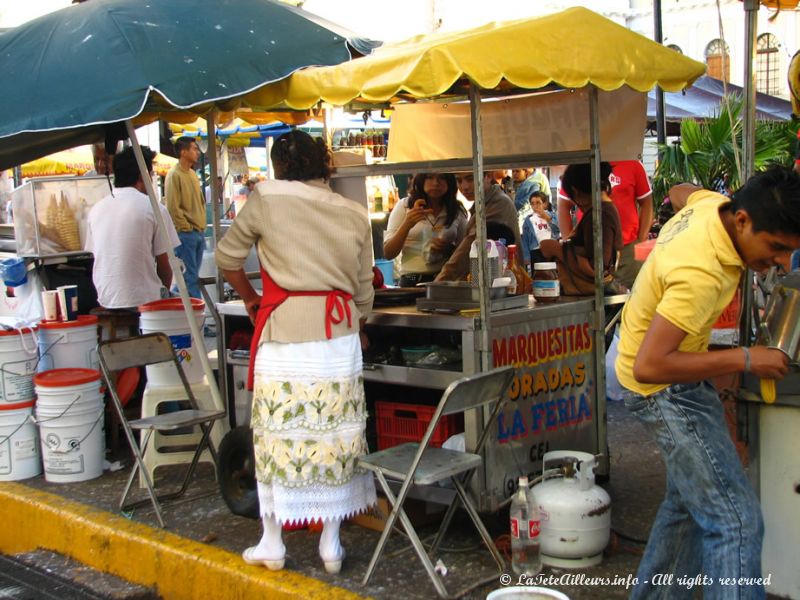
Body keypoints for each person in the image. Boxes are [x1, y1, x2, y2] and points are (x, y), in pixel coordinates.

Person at [615, 165, 800, 600]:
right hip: (661, 390)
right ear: (742, 222)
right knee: (735, 523)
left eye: (791, 252)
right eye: (776, 247)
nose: (782, 262)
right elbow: (652, 366)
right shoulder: (702, 272)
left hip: (657, 372)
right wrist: (748, 359)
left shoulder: (711, 205)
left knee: (686, 507)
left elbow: (681, 191)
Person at [215, 130, 375, 575]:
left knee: (276, 436)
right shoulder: (353, 211)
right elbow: (364, 296)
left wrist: (249, 297)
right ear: (324, 165)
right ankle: (331, 545)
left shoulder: (266, 197)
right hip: (339, 333)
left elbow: (226, 258)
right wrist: (353, 326)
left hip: (285, 331)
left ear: (280, 166)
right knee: (333, 438)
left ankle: (272, 542)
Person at [85, 146, 179, 310]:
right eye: (150, 174)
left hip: (104, 298)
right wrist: (160, 293)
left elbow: (97, 256)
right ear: (142, 176)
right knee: (186, 307)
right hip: (143, 300)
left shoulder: (96, 209)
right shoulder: (155, 209)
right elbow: (165, 267)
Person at [558, 160, 652, 289]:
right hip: (594, 249)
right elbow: (563, 206)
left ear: (577, 193)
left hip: (627, 248)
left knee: (629, 296)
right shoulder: (579, 168)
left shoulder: (603, 213)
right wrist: (568, 241)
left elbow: (647, 203)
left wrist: (641, 240)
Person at [540, 162, 623, 296]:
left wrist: (556, 249)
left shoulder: (599, 215)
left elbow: (597, 267)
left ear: (576, 191)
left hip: (593, 295)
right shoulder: (603, 211)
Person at [383, 173, 467, 287]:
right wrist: (408, 224)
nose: (436, 183)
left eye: (442, 178)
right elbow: (388, 253)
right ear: (420, 179)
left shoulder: (455, 210)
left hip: (444, 279)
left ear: (450, 182)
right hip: (411, 279)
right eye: (429, 177)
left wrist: (448, 249)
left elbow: (465, 252)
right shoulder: (405, 206)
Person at [436, 171, 522, 281]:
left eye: (470, 179)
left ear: (489, 176)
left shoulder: (498, 203)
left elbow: (469, 248)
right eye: (459, 181)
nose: (464, 187)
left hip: (502, 286)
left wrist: (439, 282)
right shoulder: (483, 203)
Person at [165, 136, 205, 298]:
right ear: (183, 152)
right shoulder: (174, 175)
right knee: (190, 279)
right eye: (194, 149)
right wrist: (186, 228)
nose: (197, 152)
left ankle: (172, 300)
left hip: (198, 232)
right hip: (185, 234)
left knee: (189, 279)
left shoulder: (192, 174)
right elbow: (173, 207)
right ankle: (199, 321)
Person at [521, 190, 560, 266]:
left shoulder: (552, 215)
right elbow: (525, 240)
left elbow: (558, 230)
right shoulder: (528, 220)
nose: (535, 206)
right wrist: (526, 258)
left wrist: (548, 218)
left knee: (553, 272)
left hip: (552, 248)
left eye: (538, 203)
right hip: (536, 250)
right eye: (532, 204)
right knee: (539, 274)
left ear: (545, 204)